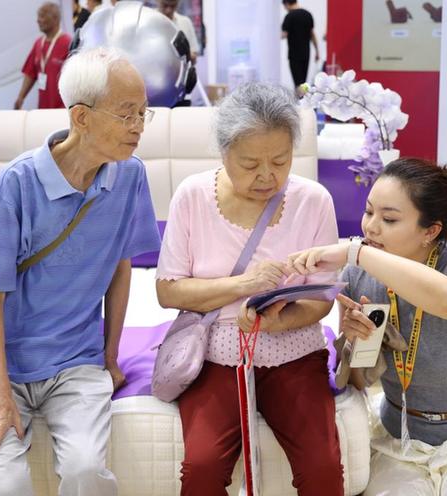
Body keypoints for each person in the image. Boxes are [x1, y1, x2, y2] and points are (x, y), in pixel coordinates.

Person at [0, 47, 161, 495]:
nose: (138, 126)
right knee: (6, 485)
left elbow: (121, 265)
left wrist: (110, 355)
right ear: (81, 117)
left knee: (85, 470)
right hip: (4, 363)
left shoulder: (130, 176)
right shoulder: (18, 181)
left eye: (143, 113)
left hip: (76, 361)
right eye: (126, 114)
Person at [288, 158, 447, 495]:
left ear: (430, 231)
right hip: (398, 439)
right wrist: (357, 343)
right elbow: (358, 381)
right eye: (368, 212)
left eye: (389, 219)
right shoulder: (358, 276)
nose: (371, 227)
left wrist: (357, 253)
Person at [156, 82, 345, 495]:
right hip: (215, 357)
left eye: (280, 161)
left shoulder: (314, 200)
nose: (267, 175)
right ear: (224, 153)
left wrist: (280, 322)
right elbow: (169, 292)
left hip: (296, 355)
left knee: (323, 468)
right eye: (249, 164)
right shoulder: (192, 196)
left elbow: (322, 300)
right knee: (202, 468)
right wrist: (245, 284)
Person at [15, 3, 72, 110]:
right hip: (43, 109)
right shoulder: (38, 44)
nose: (38, 20)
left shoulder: (68, 43)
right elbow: (30, 73)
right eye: (38, 16)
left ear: (55, 18)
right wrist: (21, 97)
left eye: (42, 16)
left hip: (62, 109)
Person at [281, 0, 319, 93]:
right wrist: (317, 51)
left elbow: (284, 34)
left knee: (297, 83)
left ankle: (300, 100)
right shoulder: (307, 14)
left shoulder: (289, 16)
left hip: (294, 55)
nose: (285, 8)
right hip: (306, 54)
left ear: (287, 3)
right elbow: (312, 34)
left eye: (284, 6)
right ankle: (304, 98)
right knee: (303, 82)